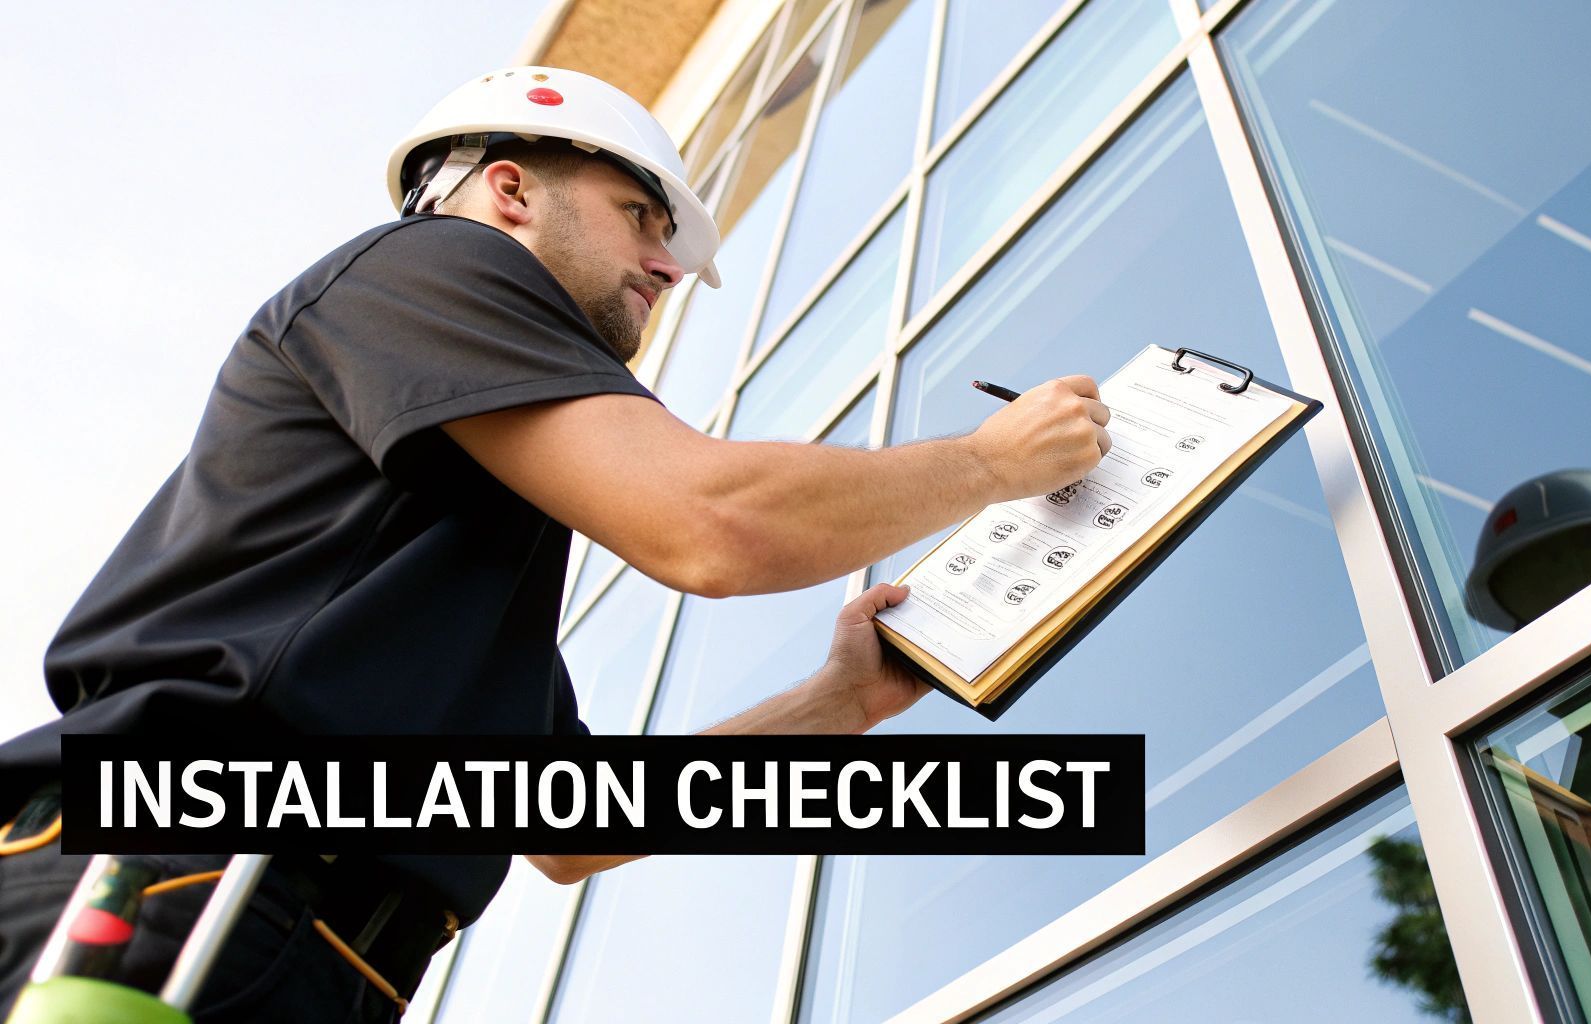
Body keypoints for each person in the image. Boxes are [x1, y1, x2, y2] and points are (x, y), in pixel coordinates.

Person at [0, 66, 1111, 1022]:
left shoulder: (460, 533)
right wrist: (989, 463)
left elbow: (567, 826)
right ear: (509, 189)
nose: (665, 266)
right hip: (179, 875)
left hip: (302, 938)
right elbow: (714, 524)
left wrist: (837, 706)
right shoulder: (427, 266)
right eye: (641, 214)